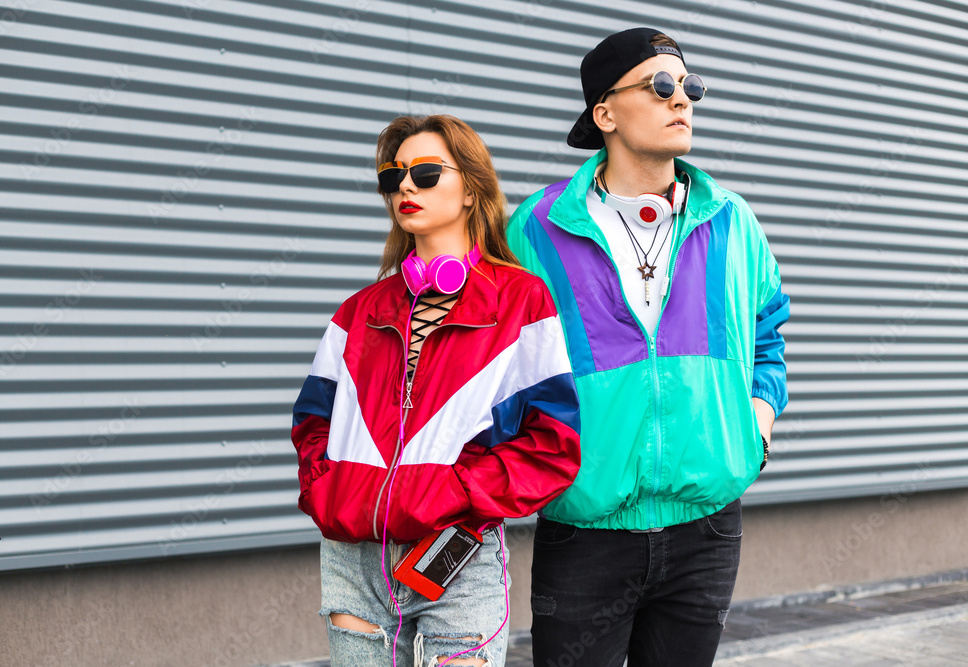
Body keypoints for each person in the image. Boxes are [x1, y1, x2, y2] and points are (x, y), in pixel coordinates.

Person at [506, 28, 790, 666]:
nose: (682, 100)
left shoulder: (731, 219)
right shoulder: (536, 229)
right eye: (661, 85)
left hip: (707, 528)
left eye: (690, 87)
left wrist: (757, 423)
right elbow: (501, 363)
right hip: (585, 529)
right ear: (603, 113)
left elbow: (769, 332)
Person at [292, 114, 581, 667]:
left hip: (455, 552)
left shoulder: (520, 302)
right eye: (392, 176)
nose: (405, 186)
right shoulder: (360, 312)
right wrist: (329, 492)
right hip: (354, 559)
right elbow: (312, 424)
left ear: (471, 188)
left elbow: (553, 444)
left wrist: (455, 493)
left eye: (425, 173)